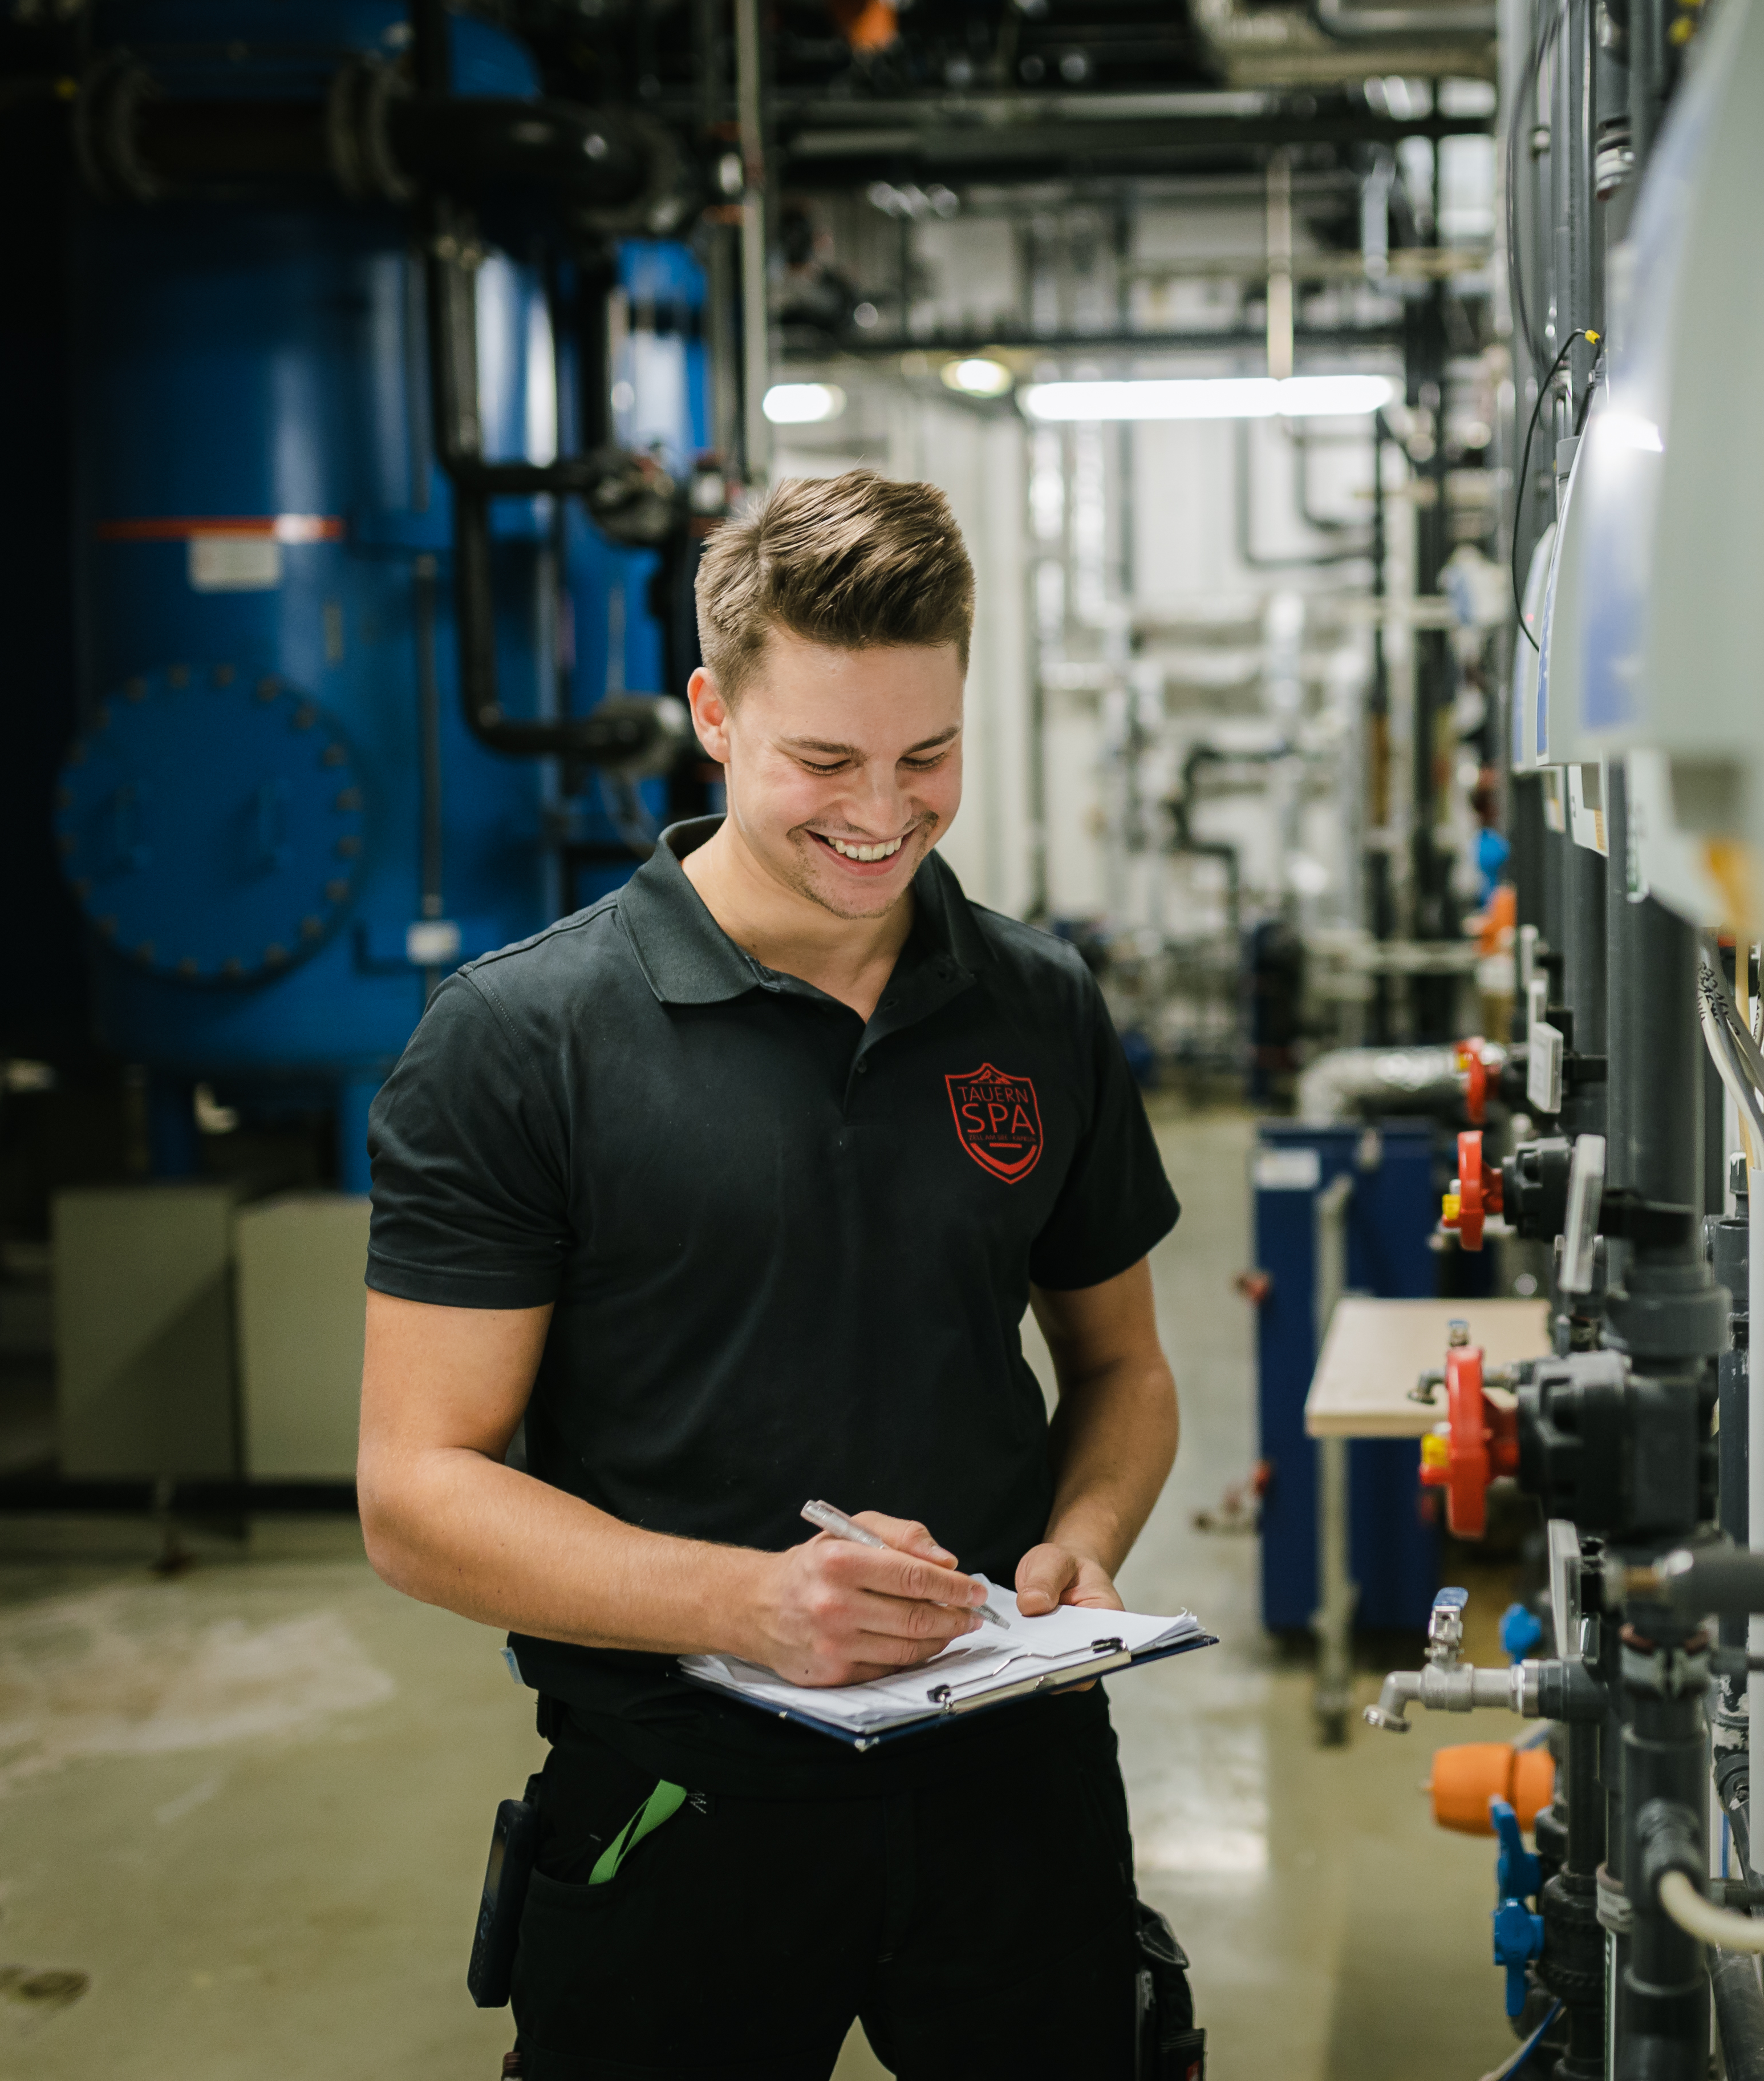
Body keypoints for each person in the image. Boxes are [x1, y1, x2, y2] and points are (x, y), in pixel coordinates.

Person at [355, 469, 1184, 2079]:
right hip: (681, 1808)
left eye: (928, 755)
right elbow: (416, 1492)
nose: (884, 812)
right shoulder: (526, 1041)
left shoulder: (1038, 1004)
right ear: (713, 716)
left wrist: (1081, 1545)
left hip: (1016, 1787)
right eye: (825, 760)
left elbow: (1122, 1368)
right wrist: (751, 1606)